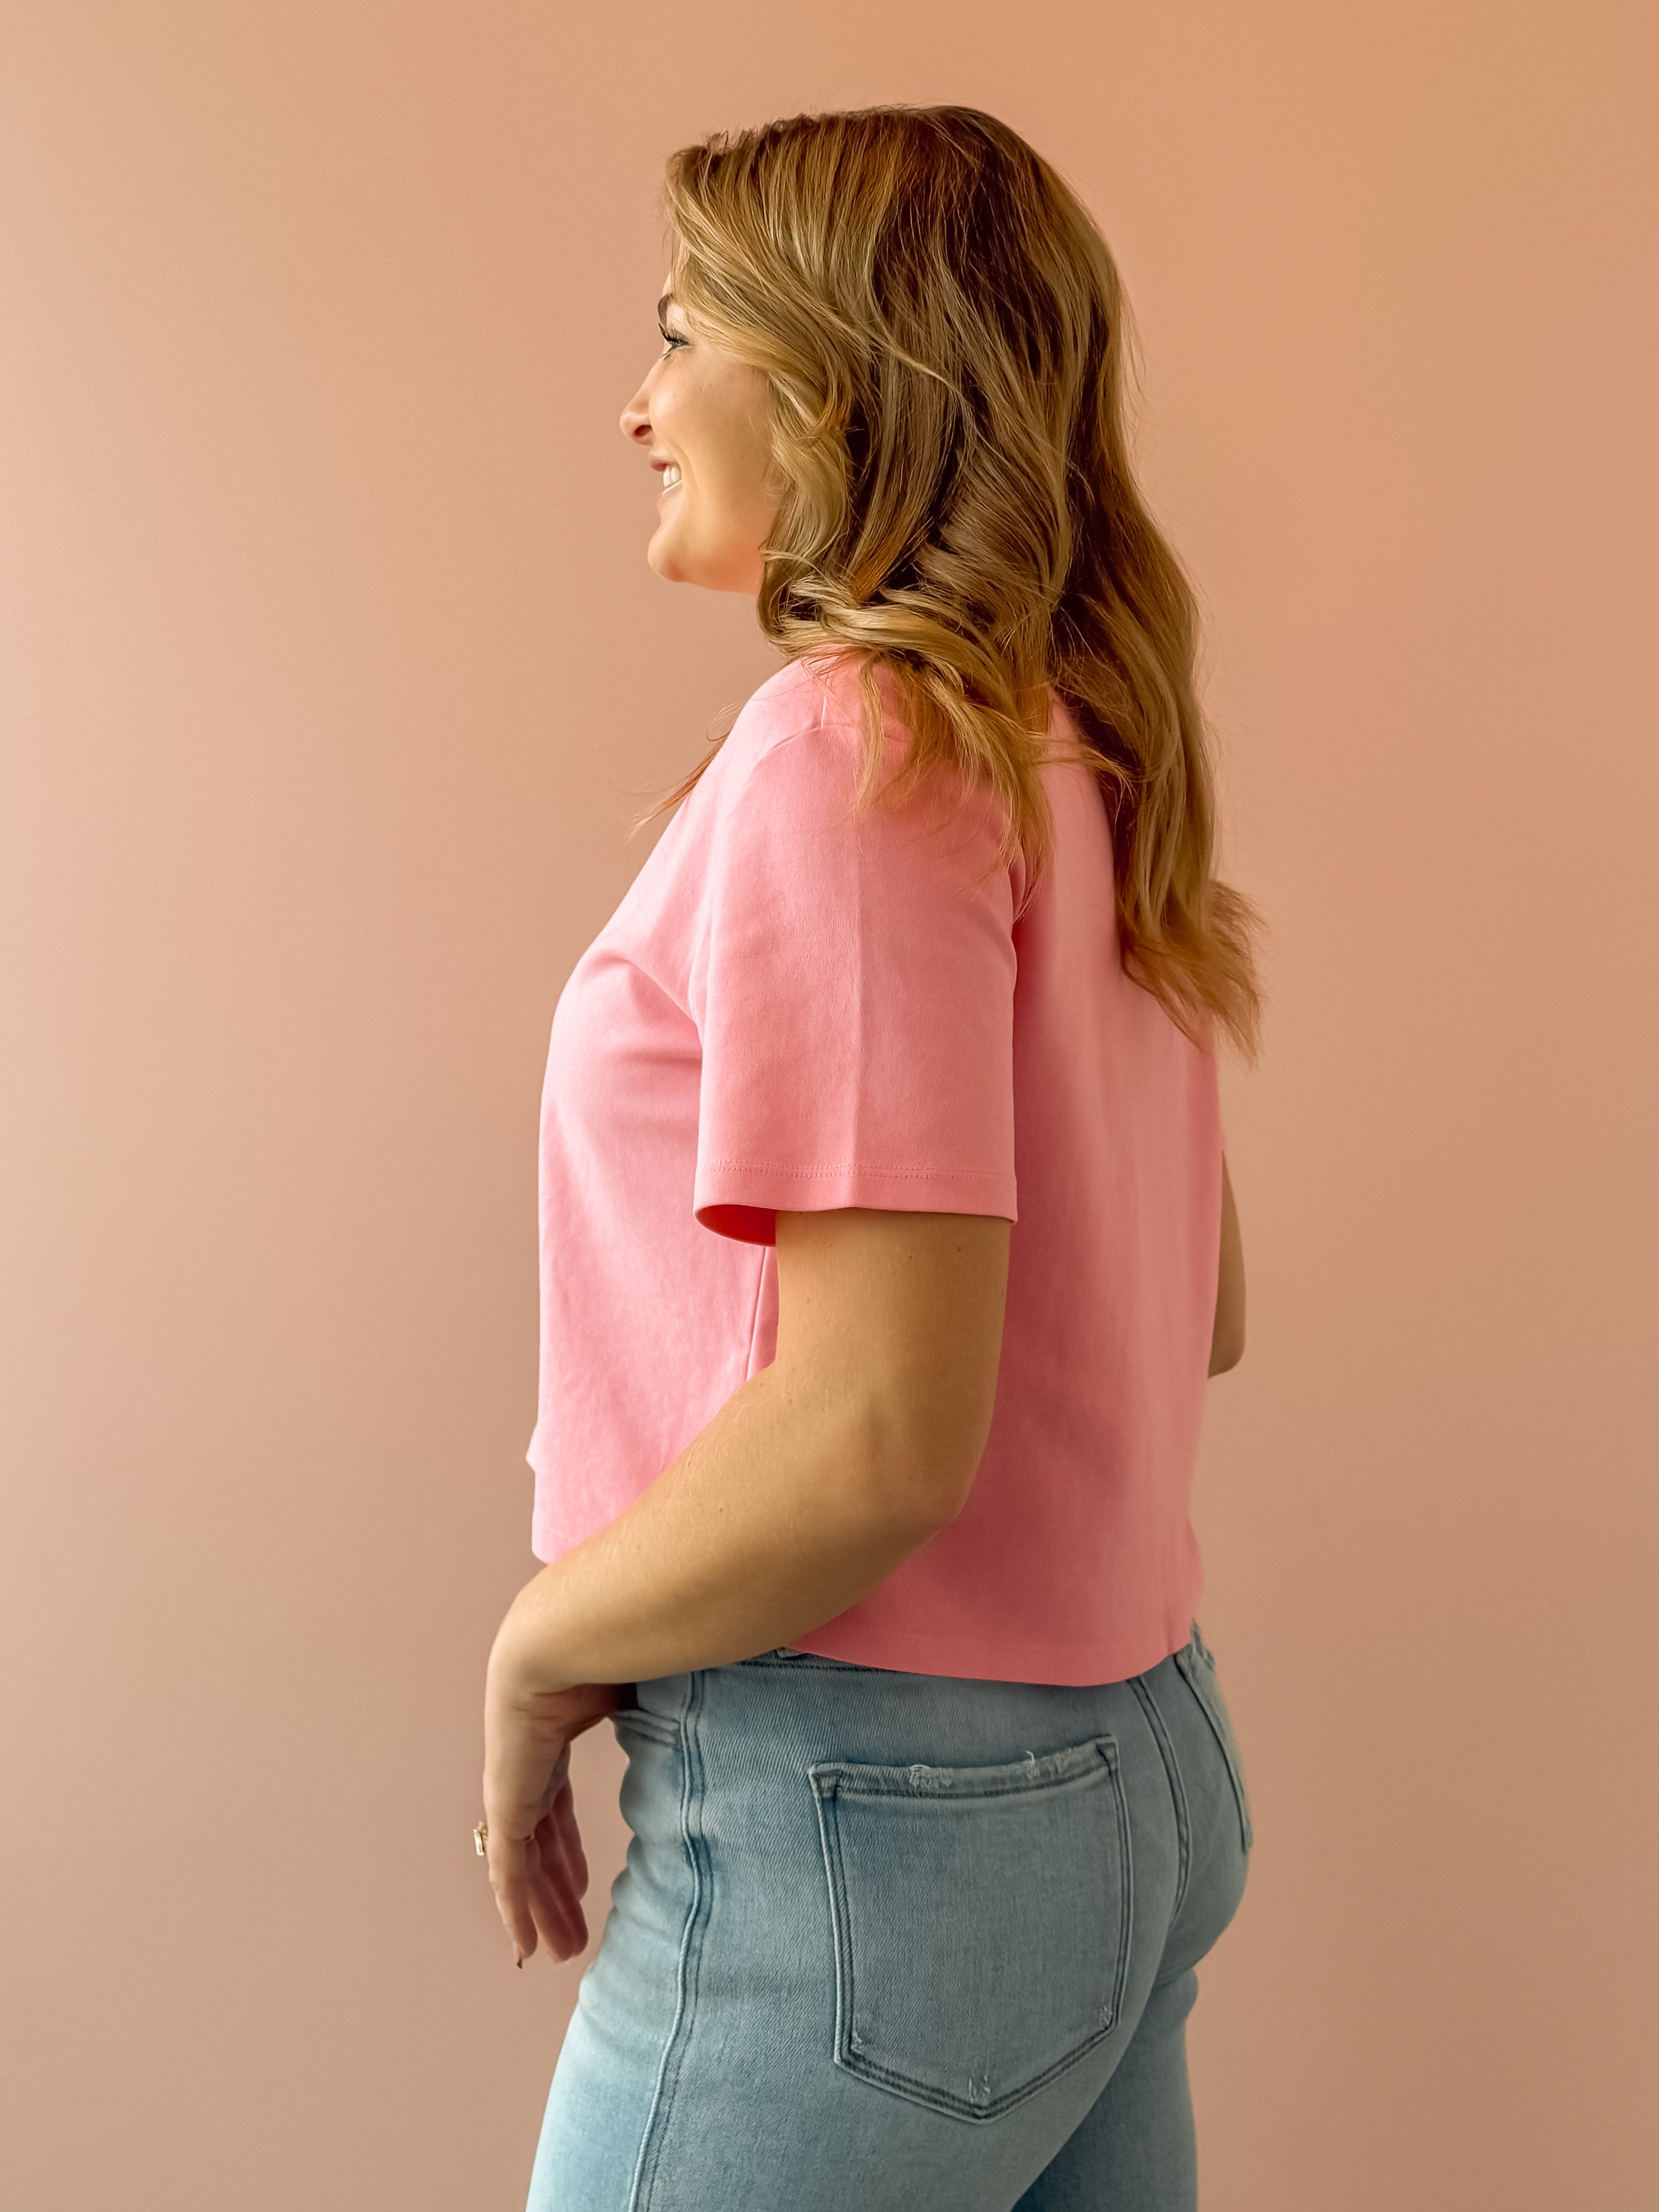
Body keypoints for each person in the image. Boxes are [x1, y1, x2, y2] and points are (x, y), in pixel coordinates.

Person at [480, 103, 1263, 2212]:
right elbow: (1185, 1307)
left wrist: (540, 1647)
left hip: (881, 1816)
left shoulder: (854, 750)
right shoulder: (1078, 748)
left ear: (832, 384)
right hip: (1129, 1775)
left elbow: (877, 1437)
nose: (637, 402)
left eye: (680, 332)